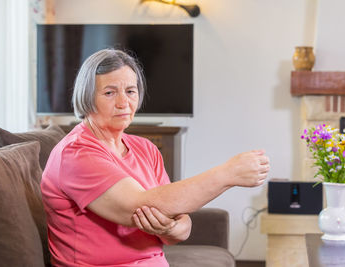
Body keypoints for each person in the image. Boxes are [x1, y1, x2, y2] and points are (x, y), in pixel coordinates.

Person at [40, 48, 270, 267]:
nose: (123, 102)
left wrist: (168, 228)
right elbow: (138, 207)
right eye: (110, 92)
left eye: (130, 91)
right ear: (87, 97)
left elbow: (182, 224)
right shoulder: (76, 153)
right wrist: (228, 174)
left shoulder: (145, 149)